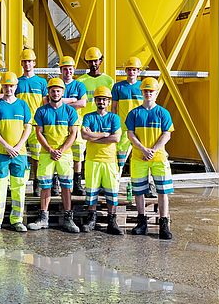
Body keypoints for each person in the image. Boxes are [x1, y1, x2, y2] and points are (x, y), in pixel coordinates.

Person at [28, 78, 80, 233]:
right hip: (46, 153)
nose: (55, 93)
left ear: (62, 92)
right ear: (48, 92)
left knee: (66, 186)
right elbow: (39, 133)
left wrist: (61, 150)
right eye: (52, 90)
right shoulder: (41, 111)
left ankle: (68, 218)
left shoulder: (70, 111)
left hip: (64, 155)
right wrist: (50, 150)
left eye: (58, 91)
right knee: (45, 186)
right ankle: (43, 218)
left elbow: (73, 134)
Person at [126, 77, 175, 239]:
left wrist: (153, 150)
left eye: (151, 91)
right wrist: (143, 149)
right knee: (139, 191)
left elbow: (166, 134)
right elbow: (130, 134)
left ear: (156, 93)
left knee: (162, 191)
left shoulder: (163, 113)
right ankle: (141, 223)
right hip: (139, 157)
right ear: (142, 93)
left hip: (159, 157)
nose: (148, 93)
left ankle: (164, 223)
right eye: (145, 91)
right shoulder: (134, 113)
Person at [0, 72, 32, 233]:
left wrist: (19, 146)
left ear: (15, 87)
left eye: (11, 86)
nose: (8, 89)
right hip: (1, 152)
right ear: (2, 86)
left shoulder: (23, 105)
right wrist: (6, 146)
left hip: (20, 154)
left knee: (18, 187)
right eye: (6, 86)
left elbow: (28, 127)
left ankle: (17, 220)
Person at [80, 86, 123, 235]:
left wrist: (94, 136)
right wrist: (104, 135)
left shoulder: (114, 118)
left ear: (109, 101)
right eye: (99, 99)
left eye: (104, 99)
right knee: (92, 192)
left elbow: (116, 138)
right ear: (95, 100)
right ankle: (91, 219)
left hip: (109, 160)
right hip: (92, 160)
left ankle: (112, 221)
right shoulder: (89, 117)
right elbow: (84, 136)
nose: (101, 102)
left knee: (112, 192)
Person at [112, 56, 155, 197]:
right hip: (124, 128)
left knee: (143, 157)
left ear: (138, 71)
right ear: (126, 71)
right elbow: (114, 107)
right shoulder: (118, 87)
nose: (131, 72)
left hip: (140, 128)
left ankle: (147, 186)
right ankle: (114, 186)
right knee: (119, 159)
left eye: (134, 70)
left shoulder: (143, 87)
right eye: (129, 70)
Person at [15, 49, 48, 196]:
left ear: (34, 63)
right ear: (21, 63)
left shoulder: (41, 82)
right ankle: (17, 183)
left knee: (37, 156)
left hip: (36, 124)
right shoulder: (16, 82)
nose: (27, 64)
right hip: (20, 124)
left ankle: (36, 183)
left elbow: (45, 103)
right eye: (25, 61)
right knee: (18, 153)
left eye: (30, 61)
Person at [59, 55, 87, 196]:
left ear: (73, 70)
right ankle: (56, 184)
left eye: (70, 69)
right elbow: (50, 101)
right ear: (61, 70)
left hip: (76, 122)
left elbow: (82, 103)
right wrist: (71, 100)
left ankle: (77, 184)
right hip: (59, 124)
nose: (68, 71)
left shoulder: (79, 85)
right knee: (59, 152)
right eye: (65, 69)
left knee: (78, 154)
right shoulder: (56, 83)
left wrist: (61, 102)